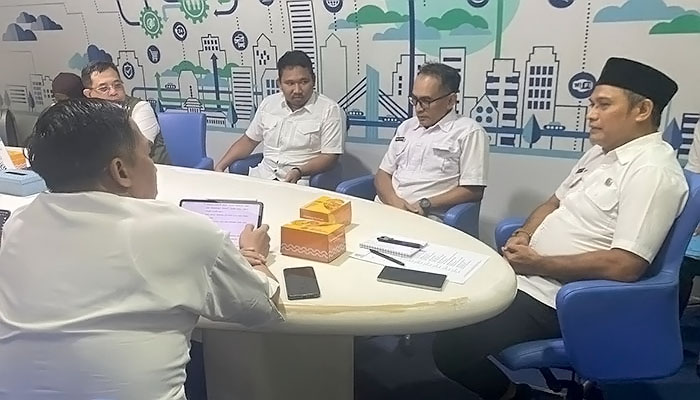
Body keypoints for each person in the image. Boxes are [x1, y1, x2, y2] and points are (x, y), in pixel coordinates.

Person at [432, 57, 689, 400]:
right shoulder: (601, 153)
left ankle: (519, 396)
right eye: (591, 104)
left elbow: (626, 265)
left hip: (563, 301)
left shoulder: (652, 172)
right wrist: (523, 236)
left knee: (449, 347)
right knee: (449, 292)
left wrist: (538, 263)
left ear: (642, 110)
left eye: (603, 105)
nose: (591, 115)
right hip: (529, 275)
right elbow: (552, 203)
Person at [0, 99, 282, 399]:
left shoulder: (19, 223)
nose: (153, 166)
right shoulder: (182, 231)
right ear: (120, 171)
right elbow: (261, 310)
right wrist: (254, 257)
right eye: (147, 154)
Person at [374, 62, 488, 218]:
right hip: (387, 208)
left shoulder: (469, 132)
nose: (418, 108)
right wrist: (395, 202)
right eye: (415, 100)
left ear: (450, 101)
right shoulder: (406, 127)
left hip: (426, 216)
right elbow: (383, 174)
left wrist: (425, 204)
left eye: (426, 101)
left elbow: (473, 190)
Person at [214, 50, 345, 185]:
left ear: (313, 80)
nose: (297, 90)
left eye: (304, 82)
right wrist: (220, 166)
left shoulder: (329, 109)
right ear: (279, 84)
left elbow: (330, 157)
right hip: (263, 178)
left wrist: (299, 171)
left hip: (300, 181)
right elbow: (249, 141)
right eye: (290, 83)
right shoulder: (269, 104)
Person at [81, 61, 171, 165]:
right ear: (89, 94)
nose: (113, 92)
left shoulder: (140, 108)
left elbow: (139, 149)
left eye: (117, 85)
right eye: (104, 89)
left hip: (153, 170)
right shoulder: (87, 116)